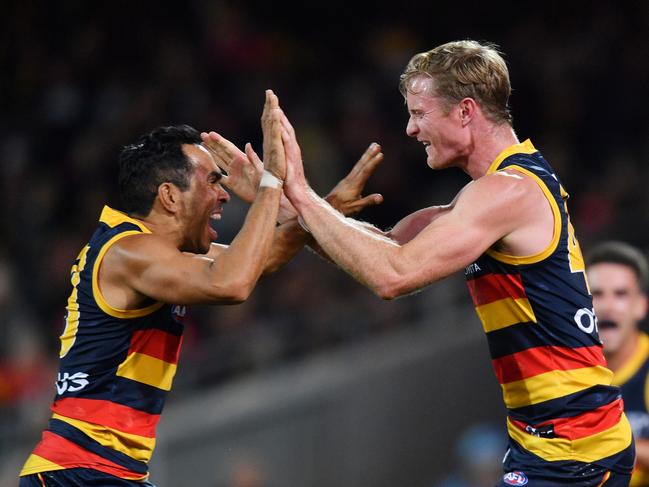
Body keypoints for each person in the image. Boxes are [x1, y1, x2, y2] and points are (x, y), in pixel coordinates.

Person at [280, 40, 635, 486]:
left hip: (574, 448)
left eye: (419, 113)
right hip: (552, 446)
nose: (410, 129)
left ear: (465, 111)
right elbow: (376, 248)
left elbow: (393, 275)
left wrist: (303, 195)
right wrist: (273, 195)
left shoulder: (507, 192)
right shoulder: (493, 194)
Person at [18, 90, 384, 486]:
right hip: (78, 473)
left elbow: (266, 255)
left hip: (102, 474)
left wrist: (320, 208)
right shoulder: (130, 253)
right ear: (170, 196)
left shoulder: (153, 253)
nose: (224, 193)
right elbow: (233, 282)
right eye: (212, 181)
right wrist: (271, 181)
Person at [587, 242, 649, 486]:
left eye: (621, 294)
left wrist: (607, 439)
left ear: (641, 305)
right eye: (597, 295)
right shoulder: (568, 373)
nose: (607, 307)